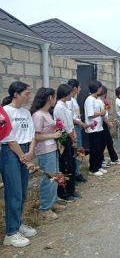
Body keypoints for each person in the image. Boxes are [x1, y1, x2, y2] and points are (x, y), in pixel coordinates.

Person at [1, 82, 37, 248]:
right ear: (16, 94)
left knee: (22, 192)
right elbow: (7, 138)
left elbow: (32, 134)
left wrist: (29, 153)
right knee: (14, 192)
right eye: (26, 93)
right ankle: (11, 233)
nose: (29, 96)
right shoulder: (5, 112)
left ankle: (18, 224)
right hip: (10, 152)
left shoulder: (26, 112)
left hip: (24, 151)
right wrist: (24, 156)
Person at [31, 87, 65, 221]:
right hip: (44, 151)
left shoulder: (47, 113)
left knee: (55, 177)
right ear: (50, 98)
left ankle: (53, 202)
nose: (55, 99)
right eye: (54, 97)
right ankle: (45, 209)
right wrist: (54, 134)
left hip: (52, 148)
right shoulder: (38, 115)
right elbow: (36, 136)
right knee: (48, 179)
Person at [53, 84, 78, 202]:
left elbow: (70, 123)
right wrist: (72, 137)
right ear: (65, 93)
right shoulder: (59, 107)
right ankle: (65, 193)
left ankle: (71, 189)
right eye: (70, 93)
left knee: (71, 164)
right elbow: (64, 125)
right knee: (66, 165)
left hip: (69, 135)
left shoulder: (65, 105)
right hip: (64, 137)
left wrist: (73, 134)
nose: (72, 95)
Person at [66, 79, 89, 183]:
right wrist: (81, 123)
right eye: (79, 87)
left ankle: (77, 171)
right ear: (75, 88)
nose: (80, 89)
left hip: (77, 126)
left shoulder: (73, 100)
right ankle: (76, 173)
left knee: (79, 150)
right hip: (74, 127)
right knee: (77, 150)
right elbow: (70, 117)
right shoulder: (69, 101)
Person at [84, 80, 107, 176]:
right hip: (92, 128)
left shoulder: (95, 99)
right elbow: (90, 115)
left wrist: (103, 112)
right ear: (96, 88)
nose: (101, 89)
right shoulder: (89, 99)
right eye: (100, 87)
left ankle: (98, 166)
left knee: (99, 148)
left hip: (99, 127)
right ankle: (93, 168)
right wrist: (101, 113)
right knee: (94, 149)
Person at [98, 85, 120, 165]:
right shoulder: (99, 101)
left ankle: (111, 158)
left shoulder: (102, 101)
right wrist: (109, 123)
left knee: (107, 142)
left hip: (104, 122)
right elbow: (103, 115)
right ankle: (106, 159)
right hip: (102, 123)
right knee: (106, 142)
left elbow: (106, 110)